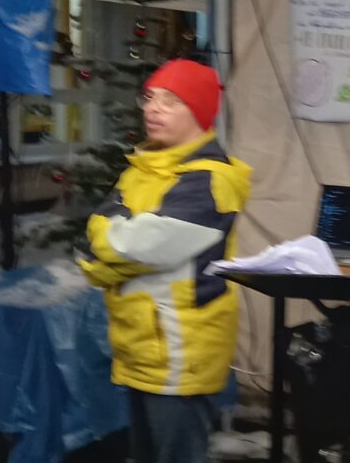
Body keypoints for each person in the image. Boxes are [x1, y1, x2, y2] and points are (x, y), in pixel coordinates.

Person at [78, 59, 251, 463]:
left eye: (171, 101)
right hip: (140, 346)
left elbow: (137, 246)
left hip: (179, 351)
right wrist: (110, 245)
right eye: (150, 97)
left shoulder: (208, 180)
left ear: (200, 112)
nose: (153, 109)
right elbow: (96, 243)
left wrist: (108, 245)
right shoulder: (142, 168)